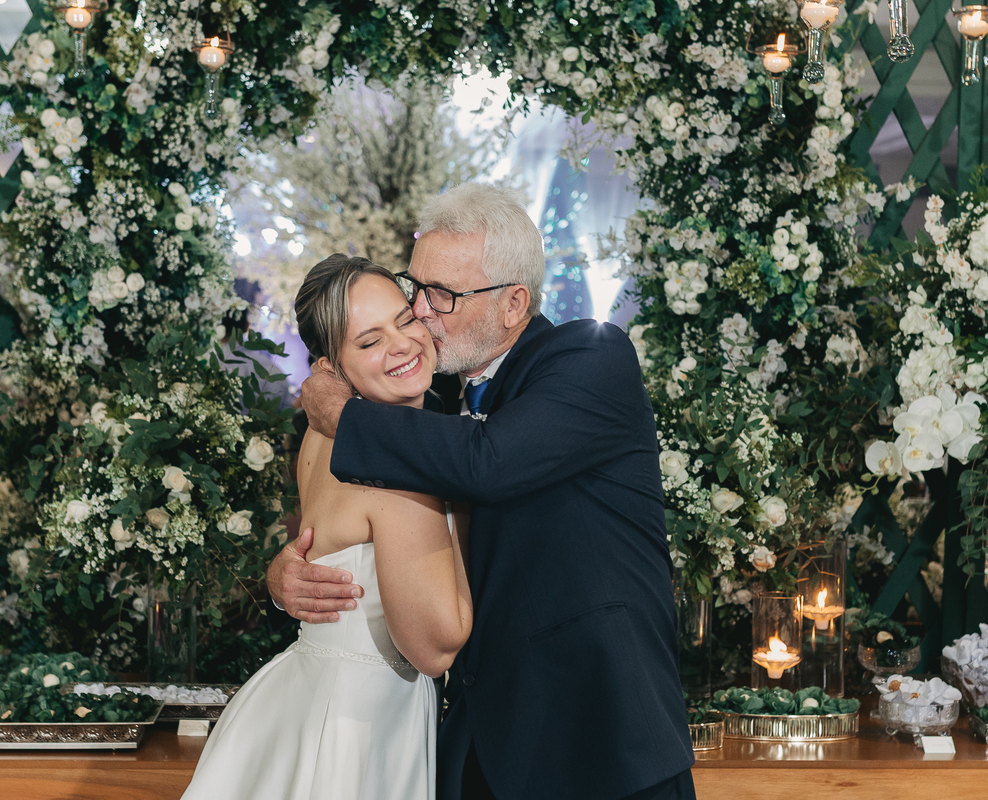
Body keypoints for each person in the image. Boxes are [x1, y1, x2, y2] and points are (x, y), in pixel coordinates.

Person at [269, 183, 696, 800]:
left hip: (602, 743)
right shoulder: (427, 399)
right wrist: (287, 573)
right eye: (416, 287)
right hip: (480, 747)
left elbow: (486, 462)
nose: (421, 311)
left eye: (442, 294)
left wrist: (344, 413)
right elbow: (352, 520)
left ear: (513, 303)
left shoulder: (590, 359)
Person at [182, 255, 472, 800]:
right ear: (330, 369)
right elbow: (435, 647)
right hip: (357, 730)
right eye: (369, 341)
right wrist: (465, 504)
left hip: (305, 697)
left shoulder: (322, 435)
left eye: (405, 320)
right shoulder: (390, 457)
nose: (403, 344)